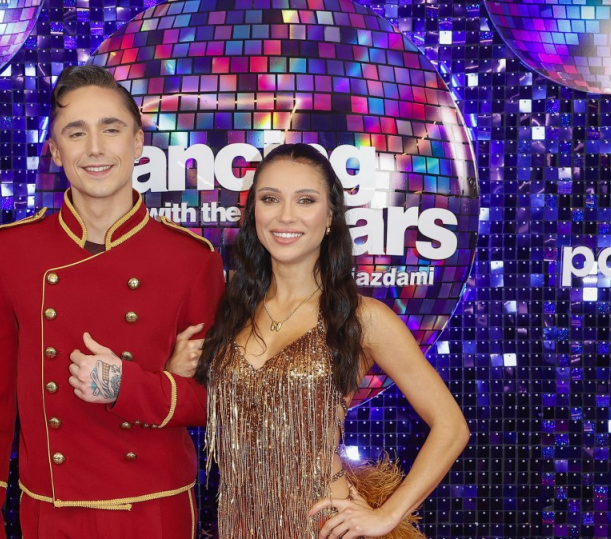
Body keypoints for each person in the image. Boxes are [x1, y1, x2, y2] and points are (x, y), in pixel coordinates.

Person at [0, 64, 225, 539]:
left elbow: (219, 401)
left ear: (138, 143)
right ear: (56, 150)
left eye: (111, 129)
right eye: (76, 132)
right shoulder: (12, 250)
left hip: (155, 512)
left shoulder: (190, 258)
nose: (95, 148)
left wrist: (127, 386)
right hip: (51, 513)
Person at [169, 143, 469, 539]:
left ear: (329, 217)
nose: (286, 215)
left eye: (305, 200)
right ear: (254, 211)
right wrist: (175, 371)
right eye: (270, 199)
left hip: (324, 527)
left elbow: (451, 426)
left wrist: (387, 515)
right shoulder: (228, 310)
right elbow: (200, 409)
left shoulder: (362, 317)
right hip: (239, 527)